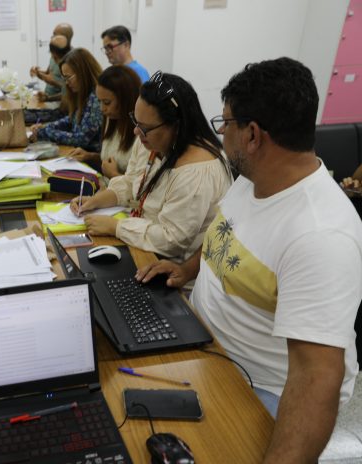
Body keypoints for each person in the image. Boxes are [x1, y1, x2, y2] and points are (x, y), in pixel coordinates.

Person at [137, 58, 362, 462]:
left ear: (253, 135)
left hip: (259, 388)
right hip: (206, 347)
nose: (220, 134)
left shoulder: (320, 235)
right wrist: (187, 268)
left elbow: (316, 380)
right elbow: (223, 234)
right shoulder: (253, 180)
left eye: (225, 125)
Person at [72, 71, 232, 264]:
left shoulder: (196, 171)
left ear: (176, 126)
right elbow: (132, 182)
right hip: (143, 247)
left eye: (144, 127)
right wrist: (96, 201)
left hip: (171, 269)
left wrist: (116, 227)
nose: (136, 132)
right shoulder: (150, 139)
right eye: (135, 121)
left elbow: (172, 239)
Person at [67, 65, 143, 178]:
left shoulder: (142, 134)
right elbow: (113, 159)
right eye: (100, 101)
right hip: (105, 189)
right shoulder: (112, 118)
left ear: (126, 100)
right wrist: (90, 156)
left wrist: (113, 174)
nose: (102, 109)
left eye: (107, 102)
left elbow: (140, 190)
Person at [30, 48, 103, 152]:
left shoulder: (97, 97)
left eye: (68, 77)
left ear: (83, 72)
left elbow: (82, 139)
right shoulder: (83, 93)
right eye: (64, 79)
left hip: (90, 160)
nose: (67, 83)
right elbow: (71, 120)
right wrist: (45, 127)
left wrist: (46, 132)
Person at [30, 23, 73, 101]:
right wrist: (37, 72)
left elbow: (70, 89)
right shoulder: (55, 53)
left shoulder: (72, 59)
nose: (52, 37)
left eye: (54, 35)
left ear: (63, 38)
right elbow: (48, 73)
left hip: (59, 102)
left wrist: (53, 82)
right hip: (48, 97)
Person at [35, 35, 71, 104]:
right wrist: (47, 98)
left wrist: (54, 82)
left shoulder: (70, 65)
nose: (52, 36)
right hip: (53, 100)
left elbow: (68, 91)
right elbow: (65, 92)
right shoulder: (57, 60)